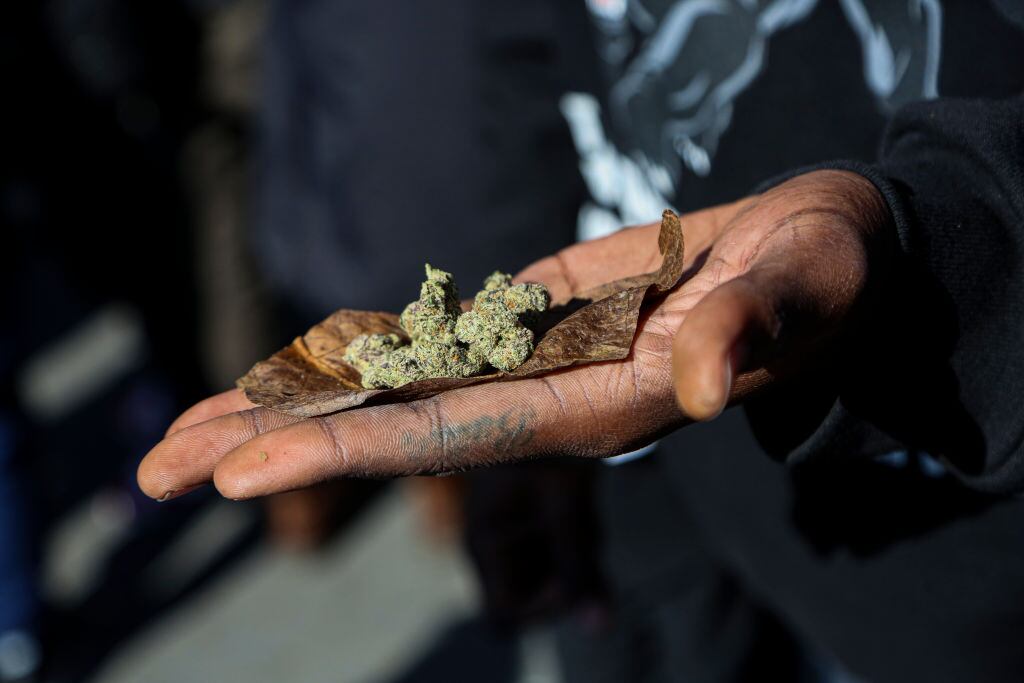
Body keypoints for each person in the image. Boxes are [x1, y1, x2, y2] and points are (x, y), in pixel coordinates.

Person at [140, 1, 1024, 681]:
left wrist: (930, 233)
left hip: (957, 549)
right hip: (673, 479)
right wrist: (529, 449)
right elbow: (531, 77)